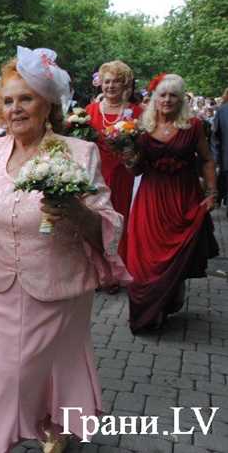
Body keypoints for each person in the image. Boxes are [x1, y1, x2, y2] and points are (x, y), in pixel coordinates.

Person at [0, 46, 130, 453]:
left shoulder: (79, 153)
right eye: (7, 100)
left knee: (41, 366)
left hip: (57, 288)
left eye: (25, 98)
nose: (15, 109)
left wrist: (75, 212)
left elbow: (109, 222)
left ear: (47, 103)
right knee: (3, 373)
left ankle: (48, 424)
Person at [126, 74, 219, 333]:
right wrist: (128, 157)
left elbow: (207, 160)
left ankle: (163, 307)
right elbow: (136, 171)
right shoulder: (140, 127)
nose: (167, 100)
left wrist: (211, 192)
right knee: (143, 262)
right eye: (163, 95)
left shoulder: (194, 125)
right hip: (151, 199)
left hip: (183, 198)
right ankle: (143, 314)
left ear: (181, 99)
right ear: (155, 98)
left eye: (173, 95)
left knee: (175, 258)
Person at [86, 60, 142, 288]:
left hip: (122, 174)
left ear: (125, 84)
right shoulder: (88, 112)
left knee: (118, 221)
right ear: (101, 84)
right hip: (95, 175)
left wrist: (132, 154)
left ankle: (115, 272)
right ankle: (97, 271)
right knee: (95, 220)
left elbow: (143, 146)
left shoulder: (136, 113)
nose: (110, 86)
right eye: (107, 81)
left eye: (116, 81)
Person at [211, 88, 228, 207]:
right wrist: (216, 159)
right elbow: (215, 138)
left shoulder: (222, 111)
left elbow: (215, 138)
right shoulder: (222, 111)